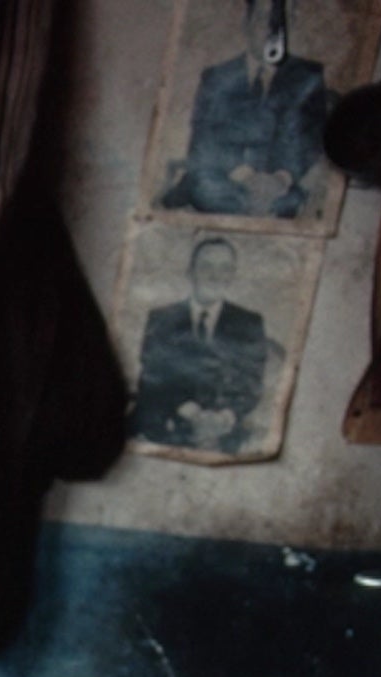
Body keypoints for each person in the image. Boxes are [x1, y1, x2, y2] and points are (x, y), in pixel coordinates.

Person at [160, 0, 331, 220]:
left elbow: (311, 140)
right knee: (206, 189)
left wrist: (281, 178)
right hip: (226, 180)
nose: (271, 31)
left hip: (279, 187)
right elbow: (202, 142)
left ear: (293, 26)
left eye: (281, 23)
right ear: (247, 23)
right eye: (262, 20)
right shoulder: (217, 77)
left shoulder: (308, 77)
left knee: (291, 203)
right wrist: (244, 174)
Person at [132, 235, 271, 453]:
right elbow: (152, 375)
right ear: (190, 271)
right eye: (206, 267)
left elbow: (252, 382)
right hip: (170, 422)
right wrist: (188, 410)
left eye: (224, 268)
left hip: (224, 429)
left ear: (232, 275)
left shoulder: (249, 323)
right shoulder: (162, 319)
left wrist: (226, 416)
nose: (215, 276)